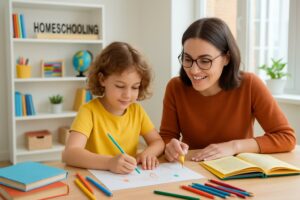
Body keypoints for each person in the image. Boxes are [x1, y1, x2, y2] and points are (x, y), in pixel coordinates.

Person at [160, 17, 296, 163]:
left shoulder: (250, 85)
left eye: (205, 61)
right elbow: (166, 137)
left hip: (238, 171)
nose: (194, 70)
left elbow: (286, 137)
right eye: (187, 59)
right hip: (193, 168)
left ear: (226, 58)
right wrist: (169, 146)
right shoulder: (175, 87)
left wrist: (234, 146)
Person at [63, 42, 164, 174]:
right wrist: (109, 163)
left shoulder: (137, 111)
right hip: (96, 181)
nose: (127, 95)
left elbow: (158, 142)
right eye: (120, 86)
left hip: (127, 182)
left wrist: (147, 154)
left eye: (135, 87)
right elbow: (70, 154)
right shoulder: (89, 111)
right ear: (102, 79)